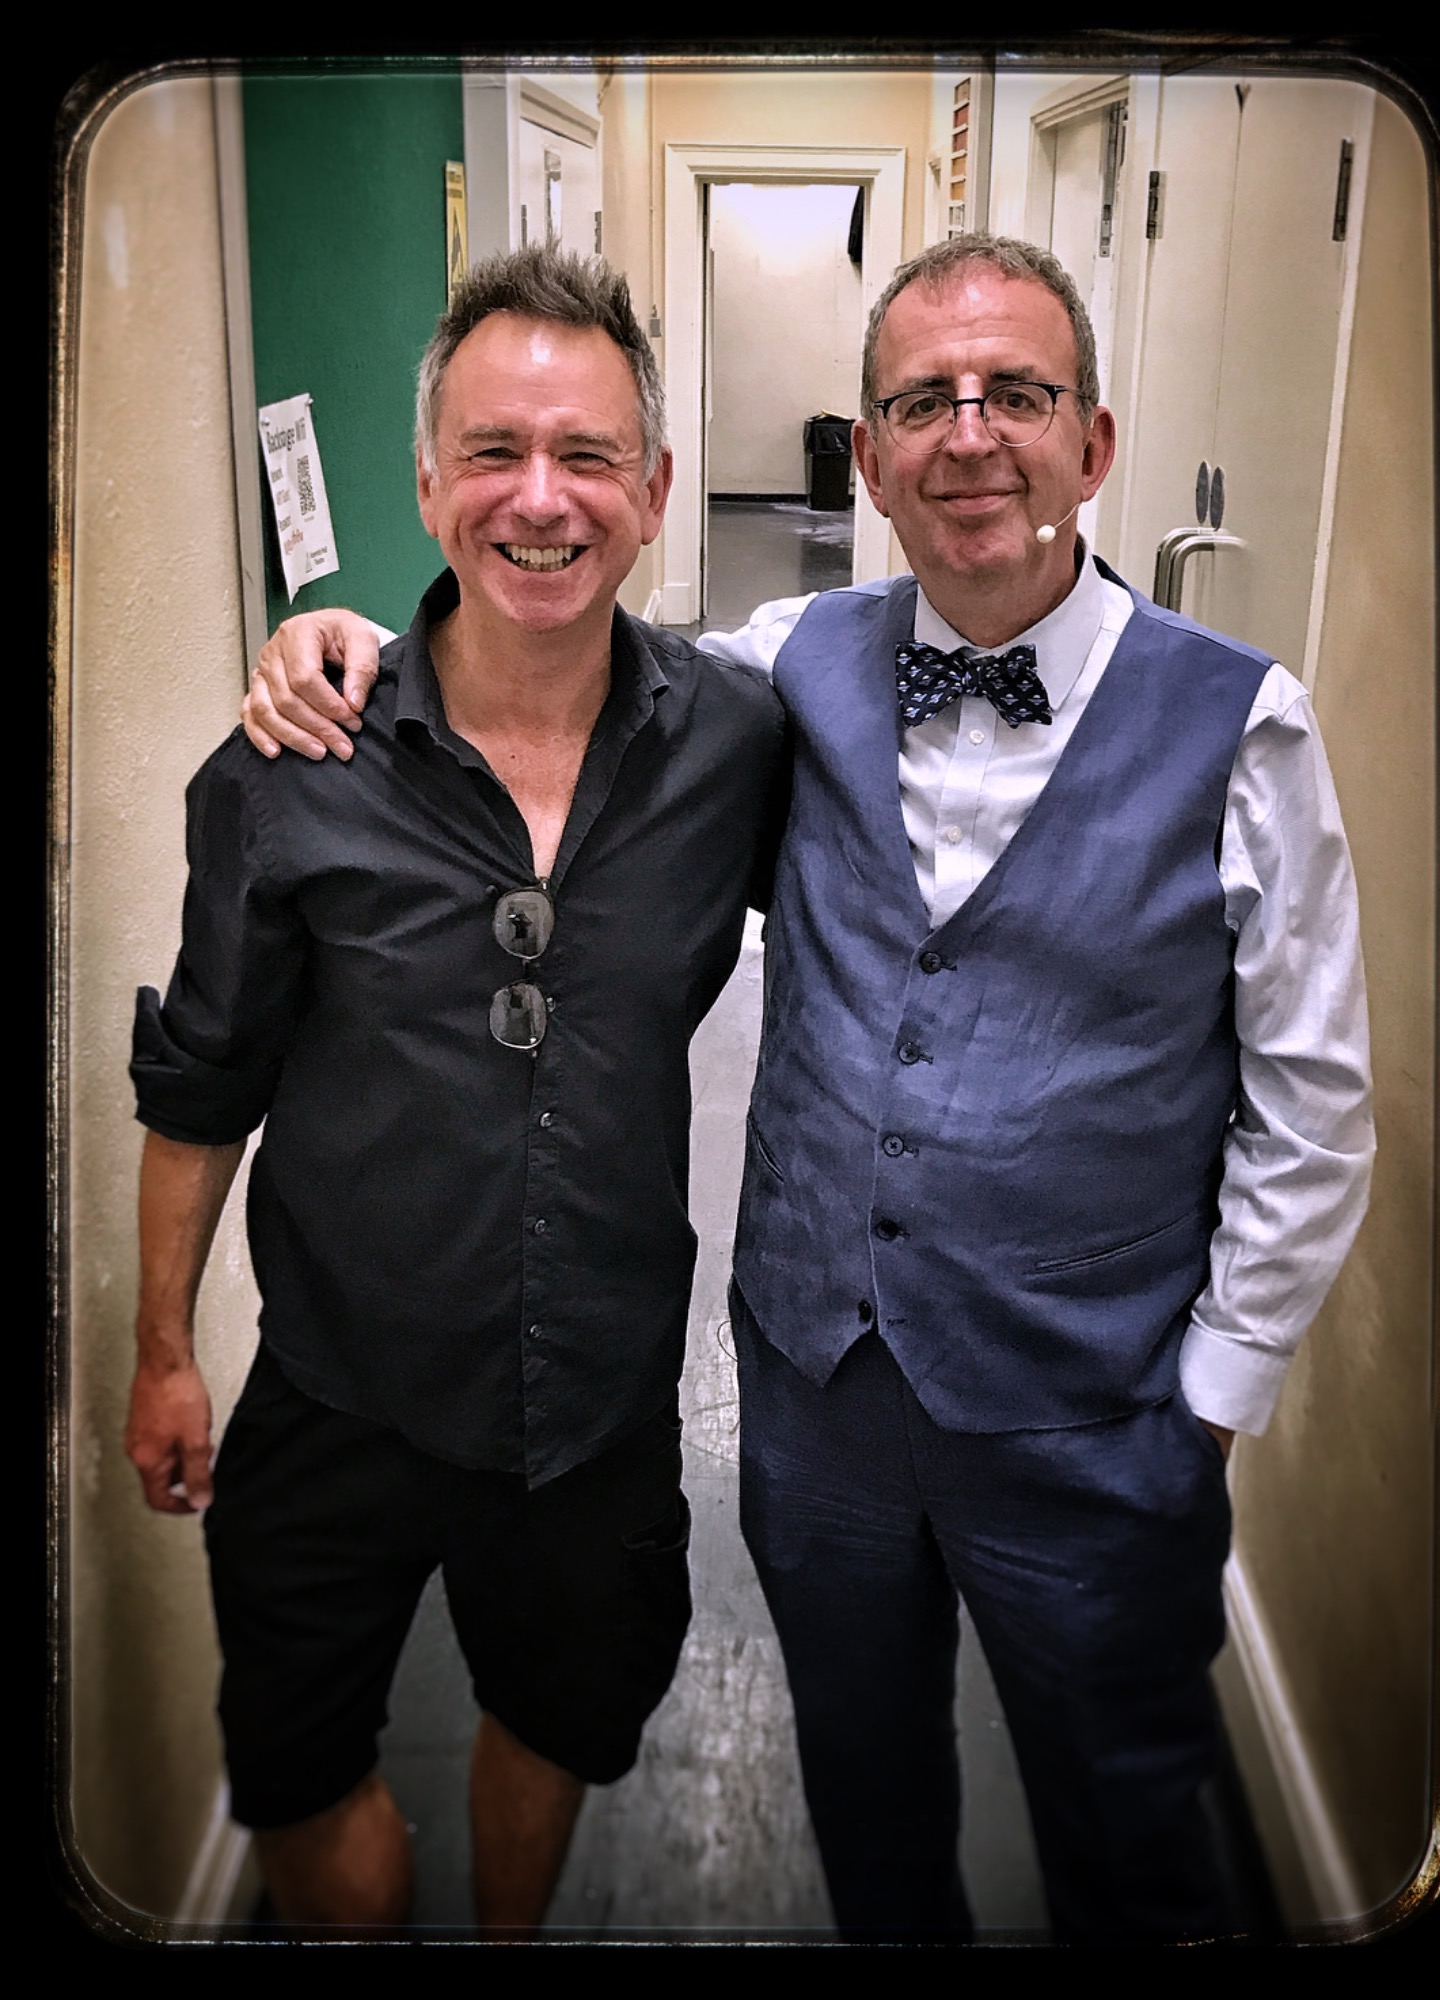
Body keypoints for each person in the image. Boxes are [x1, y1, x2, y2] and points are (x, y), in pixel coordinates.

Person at [246, 234, 1374, 1941]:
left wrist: (1212, 1396)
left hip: (1097, 1418)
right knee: (864, 1782)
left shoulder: (1248, 729)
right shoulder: (780, 670)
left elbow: (1312, 1104)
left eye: (1017, 395)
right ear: (870, 459)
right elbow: (561, 656)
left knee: (1130, 1826)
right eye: (922, 402)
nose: (969, 434)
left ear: (1094, 443)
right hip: (815, 1389)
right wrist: (342, 643)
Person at [126, 245, 786, 1931]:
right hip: (335, 1381)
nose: (539, 499)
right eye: (493, 451)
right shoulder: (293, 765)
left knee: (556, 1718)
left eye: (587, 456)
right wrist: (163, 1349)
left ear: (655, 490)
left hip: (596, 1394)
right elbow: (202, 1078)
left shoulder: (740, 744)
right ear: (427, 484)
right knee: (294, 1770)